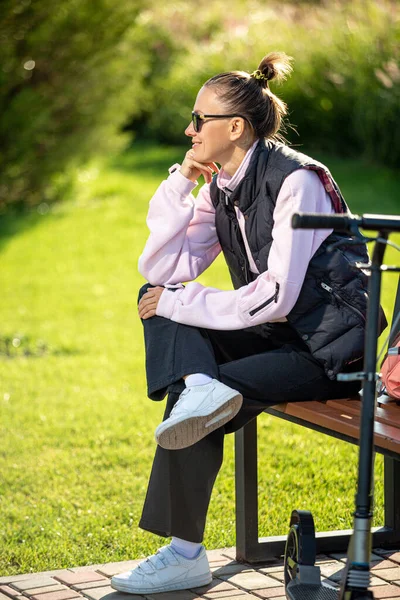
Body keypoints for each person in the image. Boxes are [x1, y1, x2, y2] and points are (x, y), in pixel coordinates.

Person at [111, 52, 385, 596]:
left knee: (199, 385)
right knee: (167, 320)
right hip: (272, 335)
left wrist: (179, 304)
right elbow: (164, 269)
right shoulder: (223, 183)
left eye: (198, 120)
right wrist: (182, 182)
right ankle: (198, 390)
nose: (189, 130)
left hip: (325, 352)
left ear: (235, 127)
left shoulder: (297, 180)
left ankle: (185, 554)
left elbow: (279, 297)